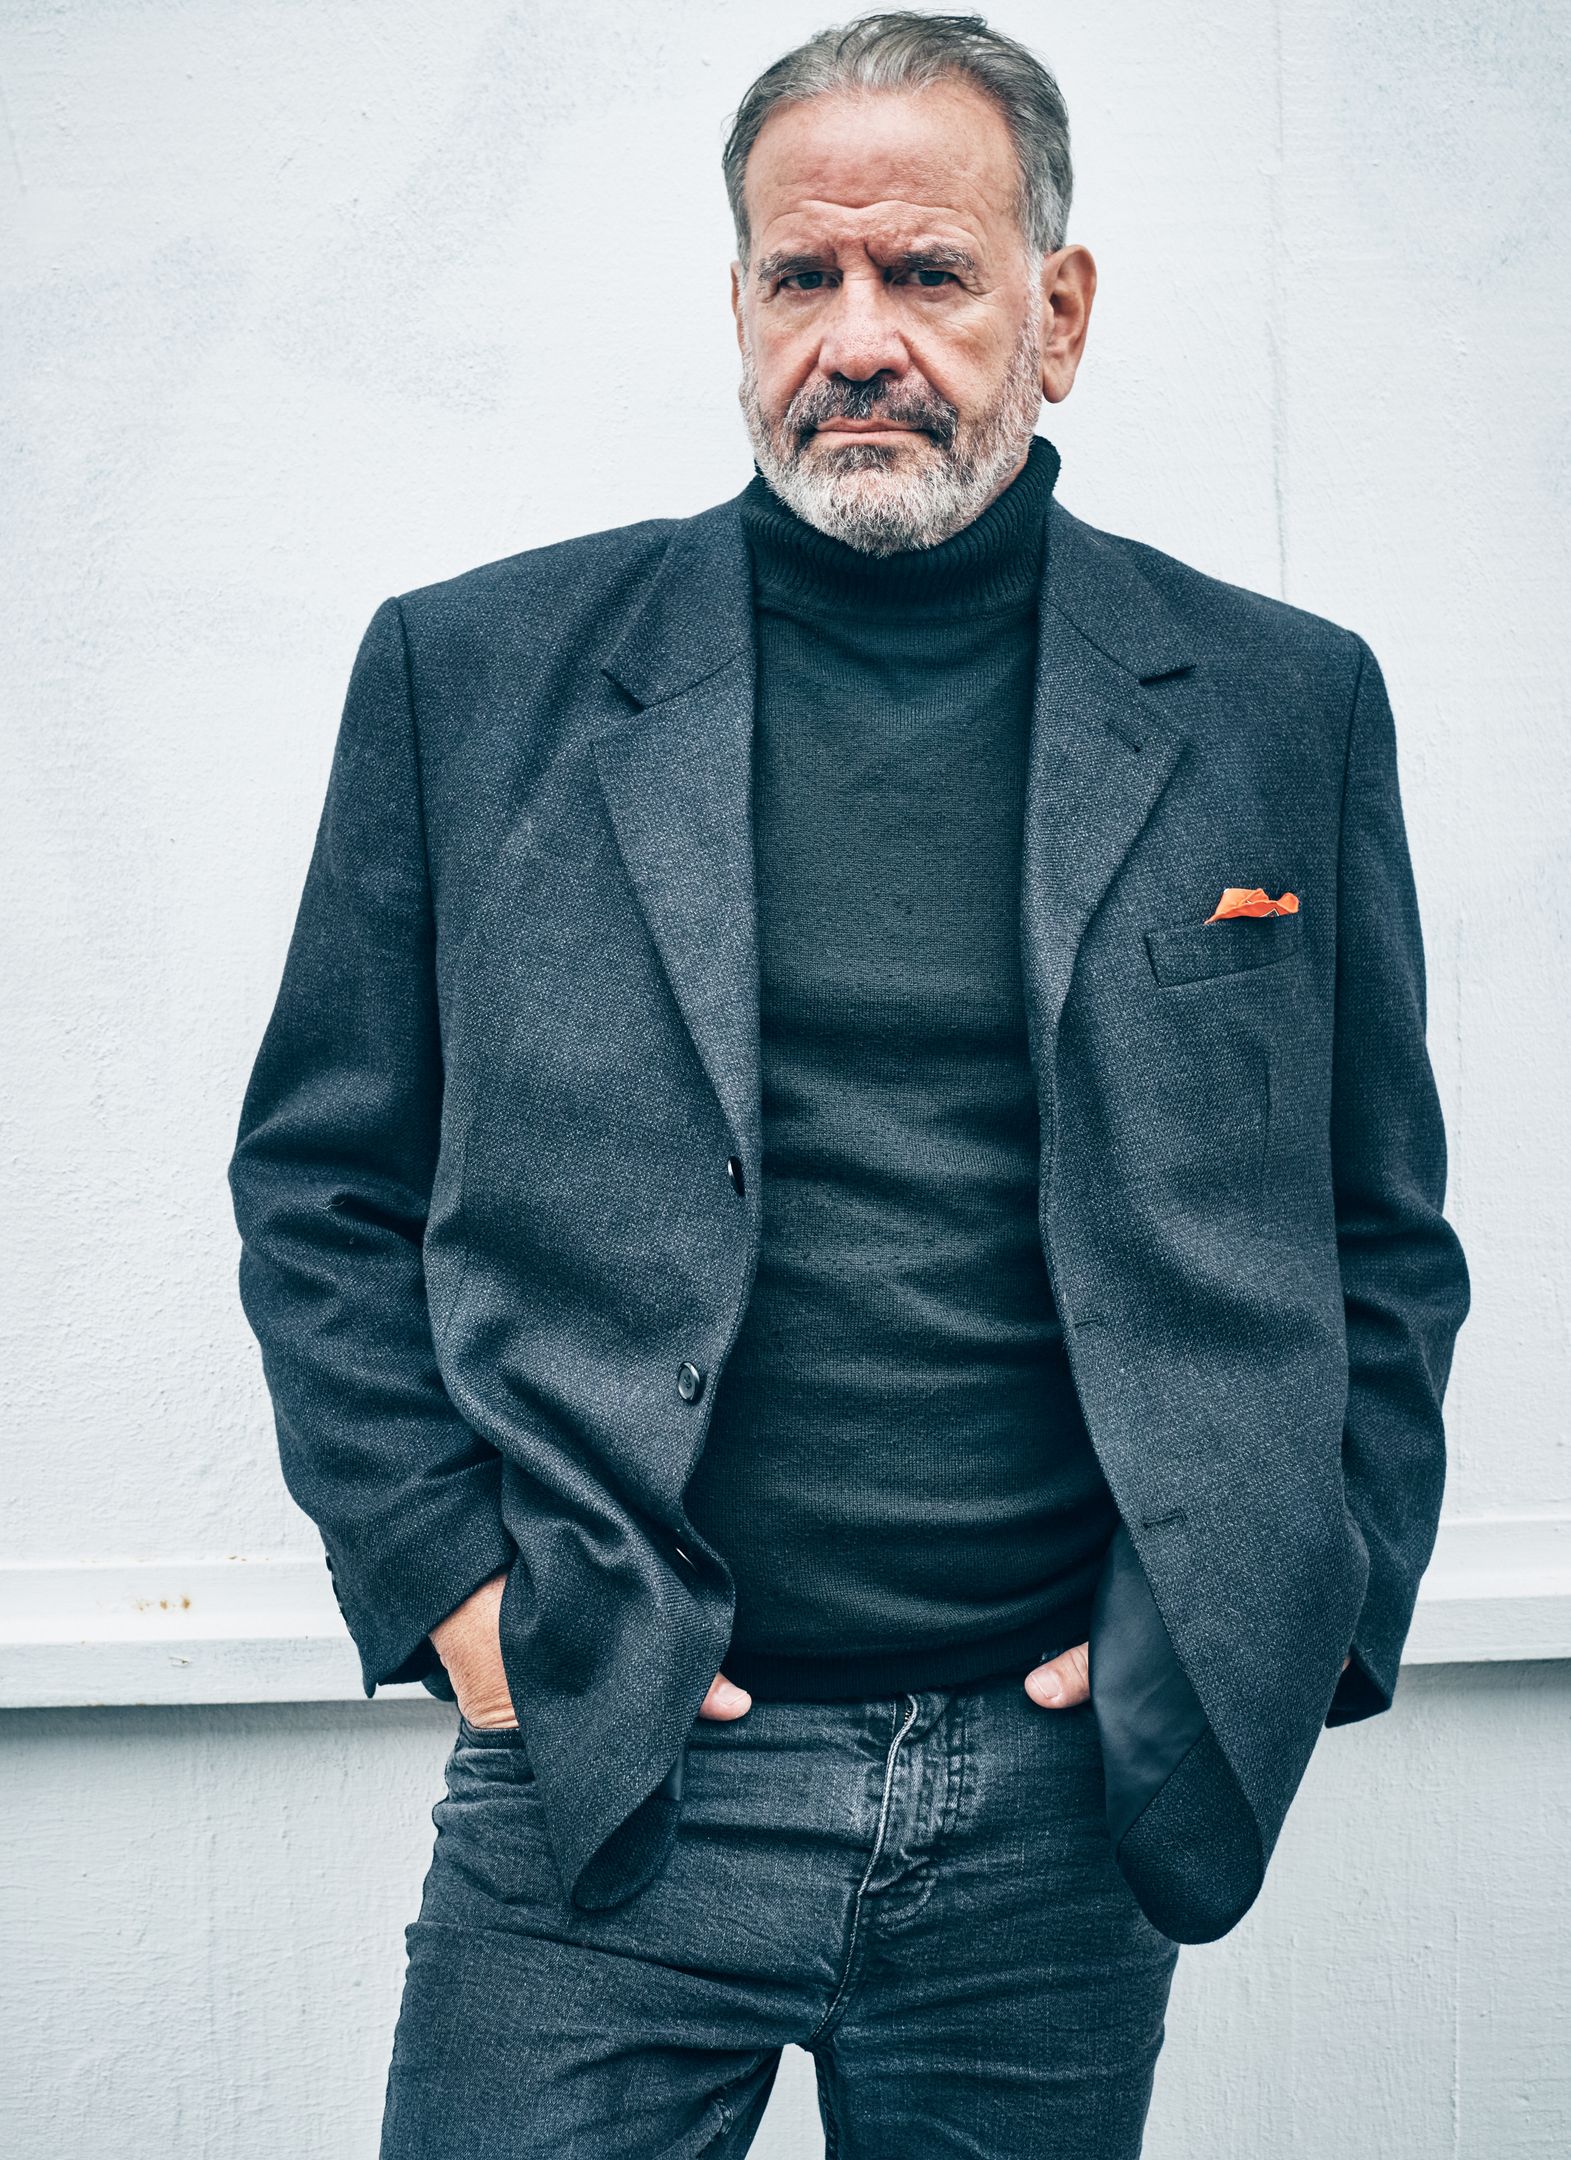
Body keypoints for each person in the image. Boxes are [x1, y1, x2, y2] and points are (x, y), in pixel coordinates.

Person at [227, 13, 1470, 2155]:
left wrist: (1283, 1619)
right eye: (804, 276)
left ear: (1058, 313)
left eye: (929, 275)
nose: (860, 338)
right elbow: (321, 1184)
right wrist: (459, 1598)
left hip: (1058, 1811)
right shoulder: (475, 680)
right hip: (608, 1768)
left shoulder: (1281, 706)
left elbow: (1376, 1235)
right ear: (737, 305)